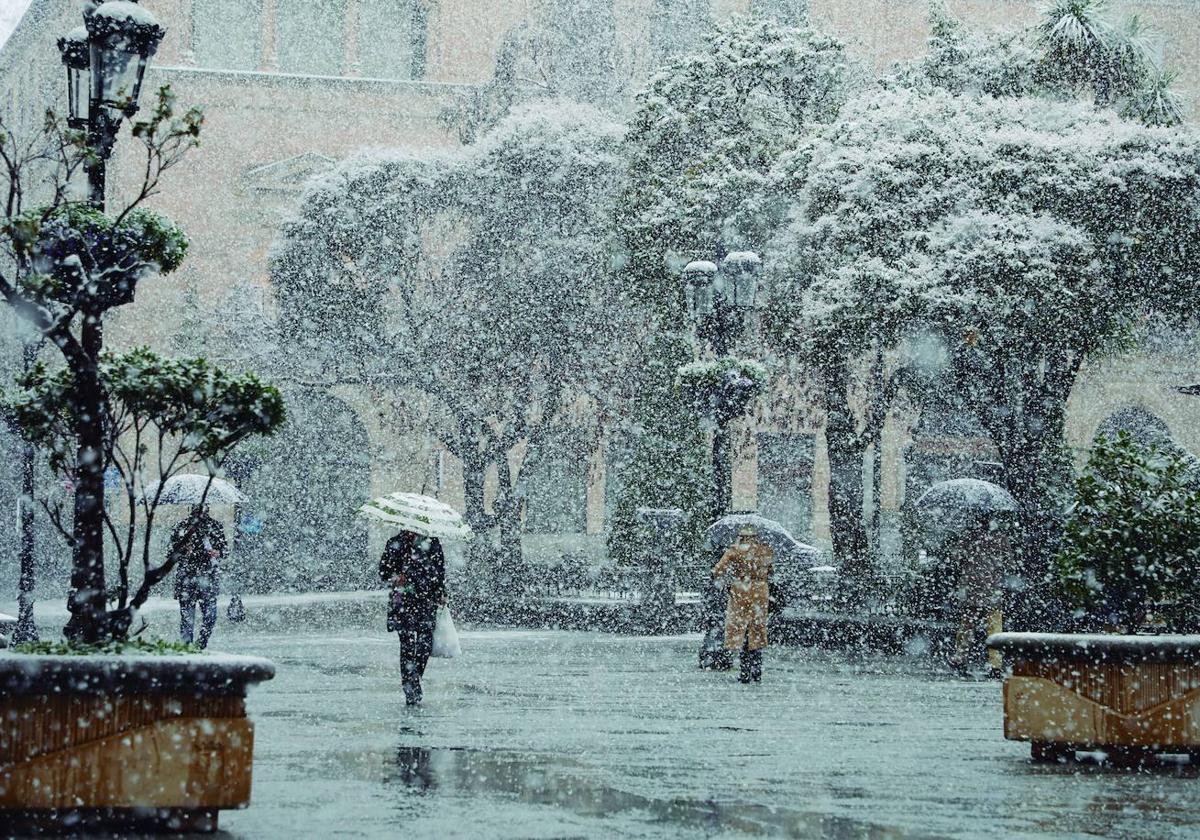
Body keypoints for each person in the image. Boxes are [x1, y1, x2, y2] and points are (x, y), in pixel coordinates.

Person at [380, 530, 447, 706]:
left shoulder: (432, 543)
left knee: (425, 644)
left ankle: (414, 677)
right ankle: (410, 685)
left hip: (426, 601)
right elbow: (384, 572)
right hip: (402, 602)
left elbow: (439, 573)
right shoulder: (394, 543)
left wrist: (439, 591)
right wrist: (396, 577)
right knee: (407, 645)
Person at [712, 524, 774, 683]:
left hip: (741, 590)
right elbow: (771, 571)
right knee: (758, 629)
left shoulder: (735, 550)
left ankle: (745, 671)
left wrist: (730, 573)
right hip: (760, 591)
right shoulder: (765, 550)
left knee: (741, 629)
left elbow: (718, 570)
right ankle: (757, 670)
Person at [170, 504, 227, 649]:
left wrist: (217, 553)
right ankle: (187, 648)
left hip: (208, 577)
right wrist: (184, 550)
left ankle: (201, 643)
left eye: (204, 506)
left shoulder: (215, 526)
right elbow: (170, 553)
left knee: (210, 616)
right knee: (187, 619)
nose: (201, 510)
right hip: (187, 578)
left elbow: (225, 550)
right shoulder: (182, 526)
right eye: (197, 507)